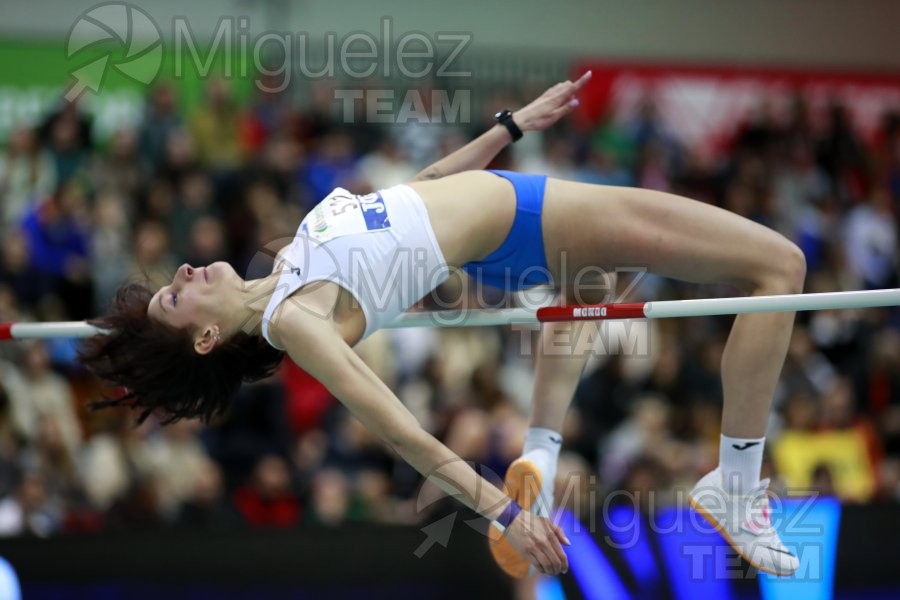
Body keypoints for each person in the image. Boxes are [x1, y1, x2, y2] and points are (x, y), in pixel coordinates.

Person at [80, 72, 804, 577]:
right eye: (174, 301)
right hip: (526, 219)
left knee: (596, 288)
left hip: (504, 221)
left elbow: (419, 193)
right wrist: (501, 513)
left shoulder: (288, 260)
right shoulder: (295, 320)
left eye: (169, 283)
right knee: (780, 267)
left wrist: (511, 126)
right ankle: (734, 486)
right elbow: (403, 433)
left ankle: (542, 458)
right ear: (205, 339)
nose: (180, 276)